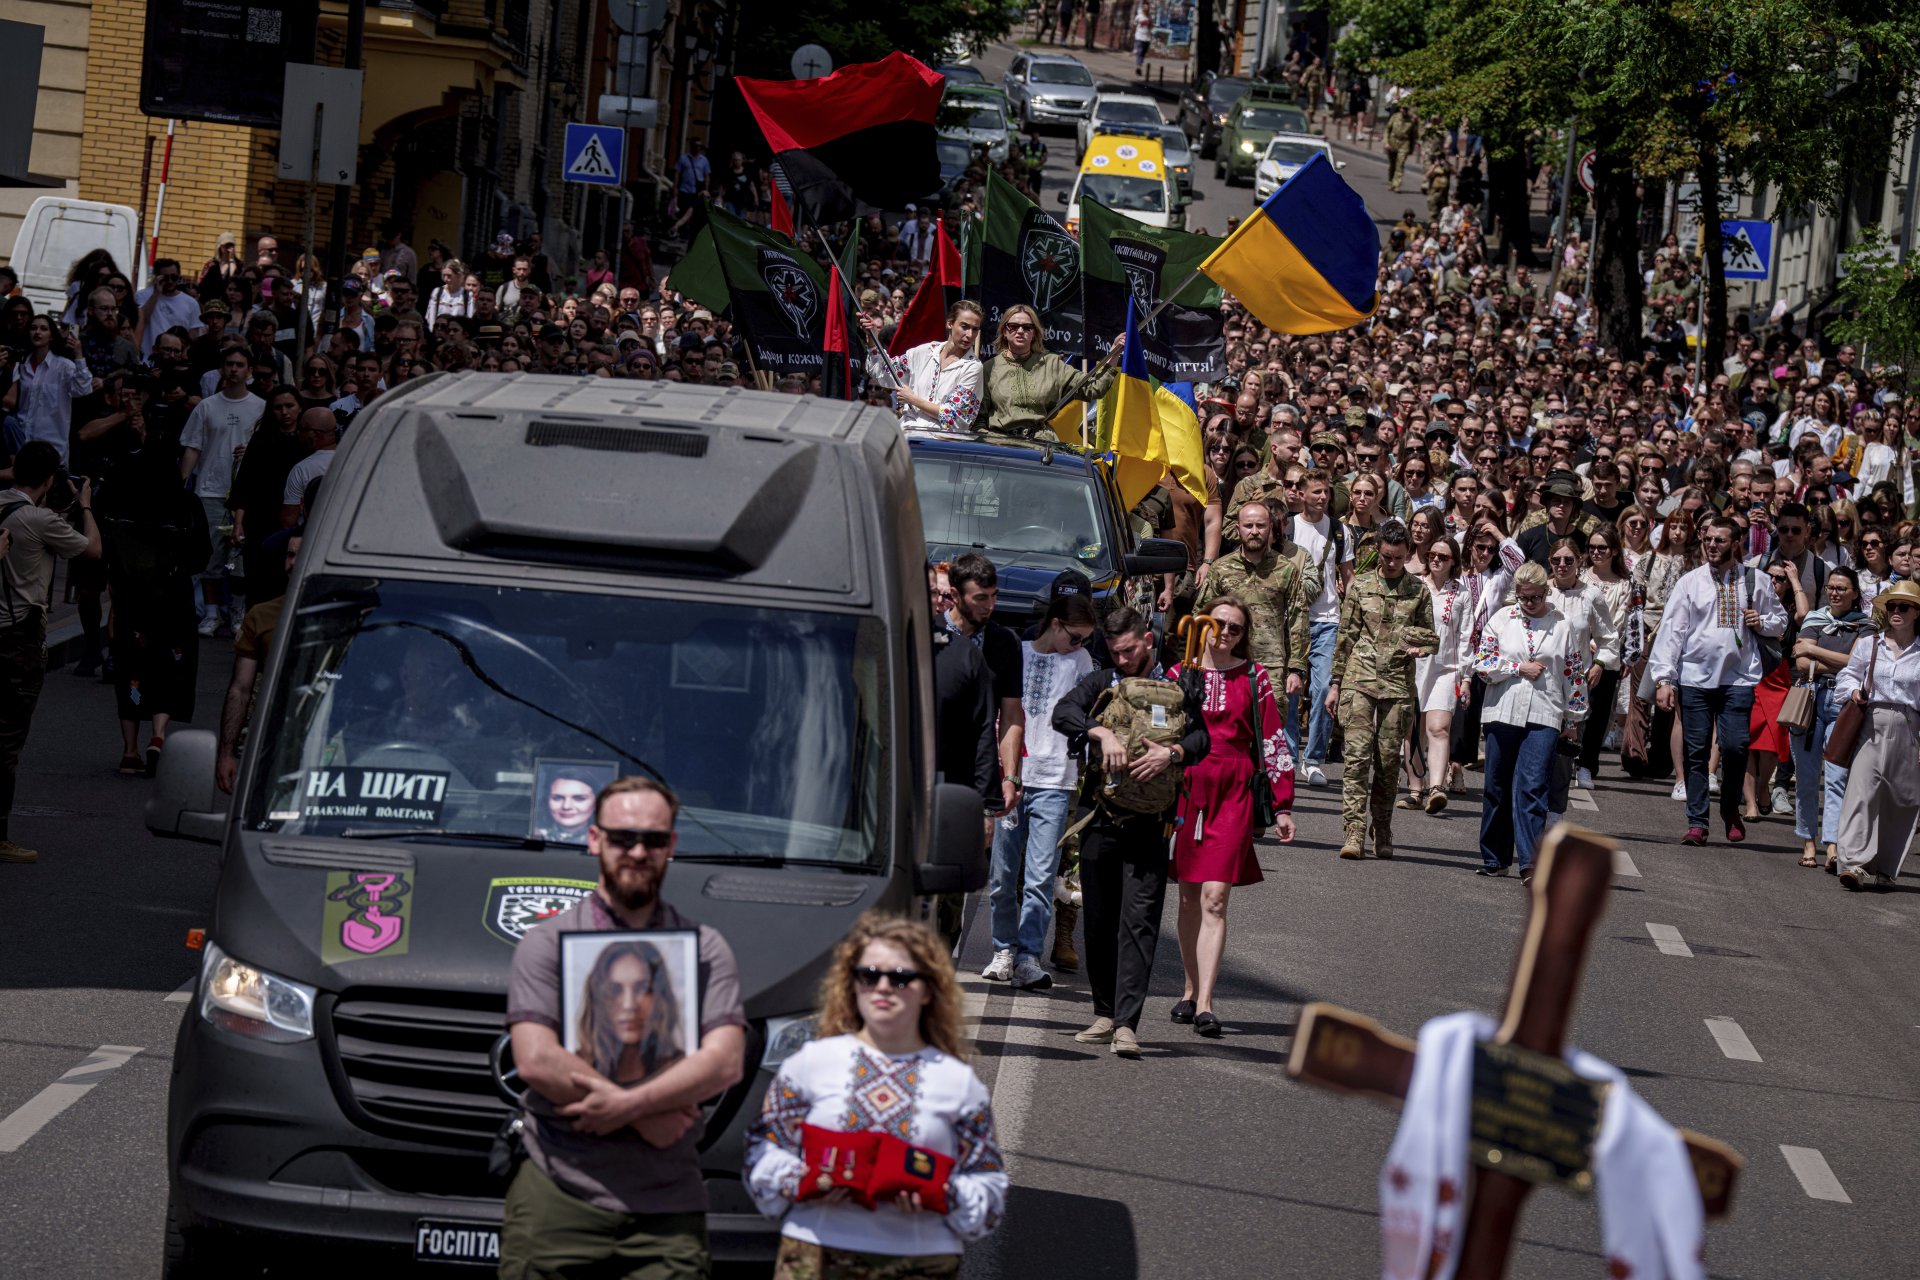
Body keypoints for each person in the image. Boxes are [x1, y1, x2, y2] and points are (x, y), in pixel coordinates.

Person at [502, 776, 747, 1278]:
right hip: (558, 1192)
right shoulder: (547, 943)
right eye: (622, 838)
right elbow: (534, 1058)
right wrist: (643, 1113)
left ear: (671, 846)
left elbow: (725, 1060)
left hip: (667, 1203)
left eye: (654, 840)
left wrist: (628, 1105)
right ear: (594, 840)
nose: (638, 852)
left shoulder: (704, 949)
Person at [745, 912, 1005, 1279]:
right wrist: (805, 1180)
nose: (882, 987)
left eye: (900, 978)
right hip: (815, 1251)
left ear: (929, 990)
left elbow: (987, 1183)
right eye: (868, 975)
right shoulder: (810, 1064)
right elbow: (762, 1150)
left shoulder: (958, 1083)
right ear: (852, 984)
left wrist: (941, 1193)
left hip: (920, 1260)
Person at [1051, 608, 1210, 1058]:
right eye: (1115, 652)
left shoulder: (1181, 685)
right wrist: (1101, 733)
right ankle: (1104, 1013)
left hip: (1151, 825)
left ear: (1148, 638)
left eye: (1129, 650)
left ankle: (1127, 1025)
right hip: (1101, 817)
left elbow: (1203, 741)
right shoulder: (1102, 683)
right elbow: (1064, 713)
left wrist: (1172, 753)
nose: (1121, 659)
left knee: (1138, 924)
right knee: (1099, 921)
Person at [1166, 598, 1294, 1037]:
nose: (1223, 632)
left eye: (1235, 628)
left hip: (1234, 790)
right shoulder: (1179, 673)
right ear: (1201, 625)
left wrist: (1283, 804)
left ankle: (1205, 1002)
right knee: (1186, 898)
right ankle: (1188, 987)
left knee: (1215, 899)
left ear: (1245, 635)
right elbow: (1159, 728)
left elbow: (1274, 739)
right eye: (1217, 624)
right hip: (1187, 789)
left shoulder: (1254, 677)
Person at [1647, 515, 1789, 846]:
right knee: (1696, 751)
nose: (1712, 545)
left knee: (1736, 746)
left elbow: (1780, 622)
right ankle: (1697, 822)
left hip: (1738, 678)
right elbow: (1671, 632)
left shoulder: (1755, 581)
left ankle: (1729, 809)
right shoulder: (1690, 582)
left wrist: (1761, 620)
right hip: (1695, 678)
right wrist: (1663, 679)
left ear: (1735, 543)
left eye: (1719, 540)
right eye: (1708, 539)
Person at [984, 592, 1097, 991]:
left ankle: (1029, 955)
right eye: (1076, 636)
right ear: (1055, 624)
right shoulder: (1017, 653)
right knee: (1001, 874)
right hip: (1012, 776)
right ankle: (1003, 950)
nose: (1080, 645)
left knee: (1039, 876)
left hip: (1055, 780)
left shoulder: (1080, 663)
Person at [94, 386, 208, 775]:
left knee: (130, 665)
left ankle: (129, 749)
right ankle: (158, 734)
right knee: (168, 663)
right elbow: (202, 553)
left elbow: (106, 543)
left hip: (130, 594)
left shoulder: (123, 496)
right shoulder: (185, 502)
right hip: (172, 594)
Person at [0, 442, 101, 863]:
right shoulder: (38, 518)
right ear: (50, 480)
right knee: (6, 741)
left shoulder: (13, 510)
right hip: (17, 639)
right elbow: (92, 550)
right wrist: (87, 507)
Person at [1326, 519, 1437, 860]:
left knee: (1388, 762)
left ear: (1407, 556)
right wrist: (1334, 683)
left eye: (1399, 558)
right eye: (1387, 557)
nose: (1392, 563)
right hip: (1359, 679)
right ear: (1378, 552)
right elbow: (1345, 637)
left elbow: (1432, 637)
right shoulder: (1360, 586)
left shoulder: (1418, 591)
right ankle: (1354, 831)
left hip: (1397, 684)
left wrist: (1420, 647)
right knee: (1357, 758)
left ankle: (1383, 826)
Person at [1475, 565, 1583, 881]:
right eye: (1524, 598)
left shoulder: (1562, 625)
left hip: (1544, 713)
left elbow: (1574, 673)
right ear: (1517, 594)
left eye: (1536, 597)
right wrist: (1516, 668)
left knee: (1533, 787)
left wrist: (1573, 719)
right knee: (1496, 785)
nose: (1530, 603)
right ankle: (1495, 858)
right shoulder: (1501, 619)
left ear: (1545, 593)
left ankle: (1530, 862)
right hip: (1502, 711)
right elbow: (1482, 665)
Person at [1194, 499, 1308, 754]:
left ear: (1271, 528)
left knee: (1269, 739)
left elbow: (1298, 618)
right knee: (1225, 733)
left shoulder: (1286, 569)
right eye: (1249, 525)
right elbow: (1201, 615)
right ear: (1238, 528)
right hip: (1227, 663)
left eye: (1260, 525)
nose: (1254, 531)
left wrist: (1297, 669)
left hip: (1271, 667)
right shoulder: (1221, 569)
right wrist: (1199, 660)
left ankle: (1264, 791)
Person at [1832, 579, 1920, 890]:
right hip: (1872, 720)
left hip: (1910, 726)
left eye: (1903, 607)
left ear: (1916, 613)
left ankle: (1884, 867)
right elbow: (1848, 675)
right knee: (1861, 791)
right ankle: (1854, 863)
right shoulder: (1871, 643)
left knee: (1900, 800)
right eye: (1891, 606)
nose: (1896, 611)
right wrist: (1854, 690)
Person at [1788, 566, 1872, 869]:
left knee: (1838, 778)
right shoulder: (1815, 618)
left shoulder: (1865, 625)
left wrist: (1815, 650)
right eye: (1831, 588)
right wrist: (1838, 662)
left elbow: (1859, 663)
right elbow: (1800, 660)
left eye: (1841, 588)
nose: (1834, 593)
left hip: (1843, 705)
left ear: (1854, 593)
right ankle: (1808, 839)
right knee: (1807, 777)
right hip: (1810, 701)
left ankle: (1833, 843)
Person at [179, 347, 264, 638]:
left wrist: (251, 452)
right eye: (229, 364)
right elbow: (193, 446)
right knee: (211, 558)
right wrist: (182, 481)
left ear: (249, 370)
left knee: (239, 559)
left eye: (240, 364)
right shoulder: (207, 406)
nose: (234, 369)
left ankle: (237, 613)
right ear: (221, 368)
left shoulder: (261, 407)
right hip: (209, 491)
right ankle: (212, 613)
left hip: (245, 494)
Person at [216, 531, 301, 795]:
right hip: (268, 747)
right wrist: (227, 752)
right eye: (289, 555)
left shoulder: (340, 617)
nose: (292, 563)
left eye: (301, 554)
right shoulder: (261, 616)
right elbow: (240, 689)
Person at [944, 553, 1024, 827]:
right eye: (980, 598)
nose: (989, 606)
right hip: (928, 769)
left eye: (994, 596)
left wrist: (1010, 776)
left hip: (978, 772)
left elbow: (1011, 715)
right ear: (955, 594)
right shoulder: (926, 634)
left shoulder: (1004, 643)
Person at [1290, 471, 1352, 785]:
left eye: (1326, 492)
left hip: (1328, 621)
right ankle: (1287, 757)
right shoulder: (1288, 528)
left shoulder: (1340, 531)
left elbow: (1349, 577)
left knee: (1325, 690)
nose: (1323, 497)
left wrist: (1354, 613)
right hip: (1293, 621)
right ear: (1301, 493)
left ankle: (1313, 759)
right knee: (1289, 692)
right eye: (1316, 492)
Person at [1404, 534, 1471, 812]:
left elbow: (1467, 637)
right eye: (1432, 554)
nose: (1436, 560)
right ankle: (1414, 789)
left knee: (1438, 728)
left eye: (1443, 557)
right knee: (1412, 730)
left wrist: (1466, 677)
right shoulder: (1414, 587)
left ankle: (1435, 788)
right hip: (1414, 667)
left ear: (1453, 561)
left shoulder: (1462, 594)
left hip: (1447, 669)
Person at [977, 305, 1114, 436]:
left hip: (1040, 448)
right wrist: (990, 443)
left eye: (1027, 327)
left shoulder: (1052, 364)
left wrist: (1114, 354)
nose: (1020, 331)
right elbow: (979, 420)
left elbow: (1094, 388)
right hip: (1001, 448)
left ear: (1034, 333)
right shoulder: (990, 367)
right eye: (1013, 326)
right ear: (1004, 332)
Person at [862, 301, 985, 432]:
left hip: (941, 445)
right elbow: (884, 372)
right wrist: (872, 340)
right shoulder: (925, 352)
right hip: (907, 436)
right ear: (950, 323)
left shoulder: (973, 367)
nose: (970, 335)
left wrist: (913, 399)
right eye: (964, 327)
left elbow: (955, 418)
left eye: (975, 329)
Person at [2, 316, 94, 460]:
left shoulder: (64, 366)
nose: (37, 332)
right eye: (33, 328)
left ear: (51, 336)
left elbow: (83, 389)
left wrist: (79, 354)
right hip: (21, 443)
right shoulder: (21, 365)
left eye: (43, 329)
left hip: (52, 447)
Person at [536, 770, 602, 843]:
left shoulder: (604, 842)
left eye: (579, 798)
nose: (566, 806)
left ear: (596, 803)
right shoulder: (534, 835)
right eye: (558, 798)